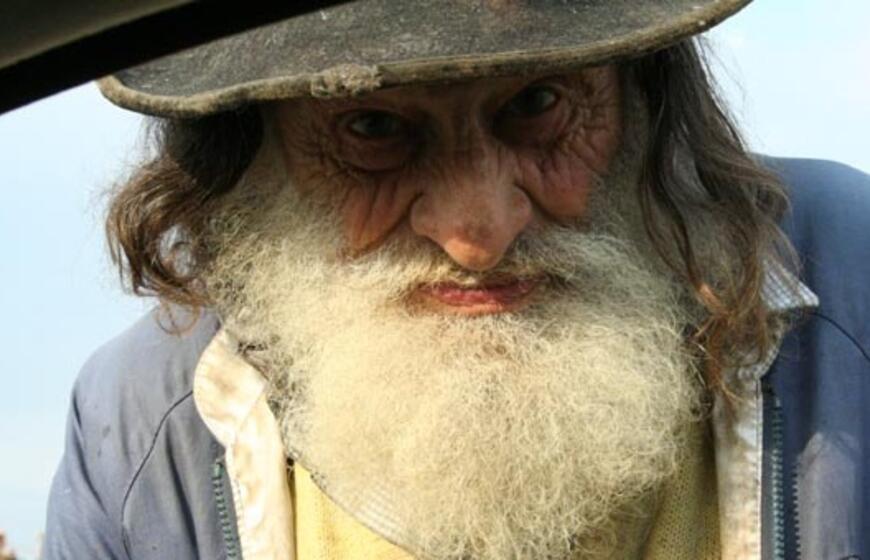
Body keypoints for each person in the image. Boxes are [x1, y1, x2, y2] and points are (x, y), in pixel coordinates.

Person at [44, 1, 870, 559]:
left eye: (537, 103)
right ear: (248, 159)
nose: (478, 233)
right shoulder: (148, 430)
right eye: (374, 127)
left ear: (643, 102)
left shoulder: (848, 279)